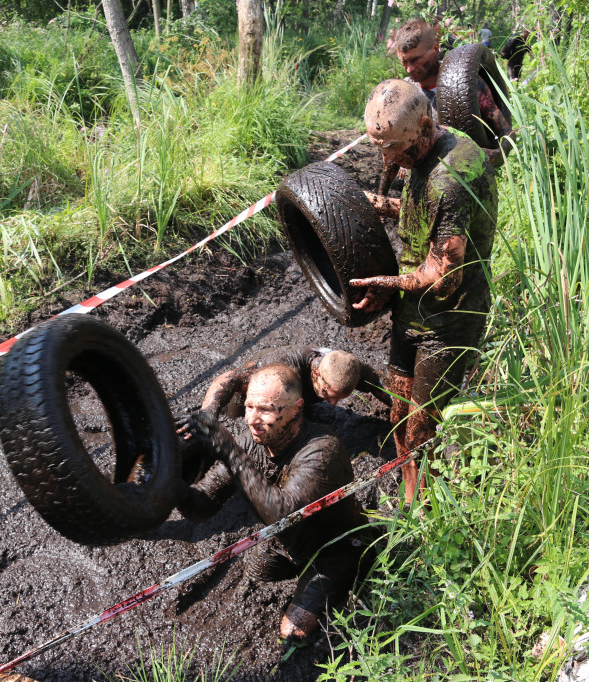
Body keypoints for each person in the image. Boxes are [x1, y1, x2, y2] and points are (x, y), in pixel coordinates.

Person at [353, 79, 498, 504]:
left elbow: (445, 272)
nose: (388, 158)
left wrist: (387, 284)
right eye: (380, 146)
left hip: (449, 320)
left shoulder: (452, 175)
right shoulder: (423, 155)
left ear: (425, 123)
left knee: (422, 427)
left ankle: (427, 514)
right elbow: (426, 212)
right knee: (398, 412)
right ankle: (412, 492)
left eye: (395, 147)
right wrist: (384, 205)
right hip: (412, 313)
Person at [177, 365, 372, 646]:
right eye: (248, 407)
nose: (252, 420)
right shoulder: (250, 444)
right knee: (257, 575)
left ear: (296, 409)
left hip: (333, 549)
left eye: (266, 410)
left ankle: (347, 582)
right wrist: (171, 485)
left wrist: (230, 452)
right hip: (286, 544)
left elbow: (284, 514)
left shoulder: (322, 449)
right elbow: (202, 506)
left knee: (292, 631)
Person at [384, 18, 510, 190]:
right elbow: (393, 147)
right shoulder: (405, 92)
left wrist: (487, 155)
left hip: (466, 185)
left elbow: (506, 134)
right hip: (422, 187)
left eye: (414, 60)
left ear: (435, 49)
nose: (409, 69)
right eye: (404, 62)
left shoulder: (468, 85)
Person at [199, 345, 390, 418]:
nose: (333, 404)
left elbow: (380, 385)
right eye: (327, 395)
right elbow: (229, 378)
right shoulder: (283, 372)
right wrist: (208, 413)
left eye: (340, 398)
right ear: (316, 374)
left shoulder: (351, 368)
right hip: (244, 400)